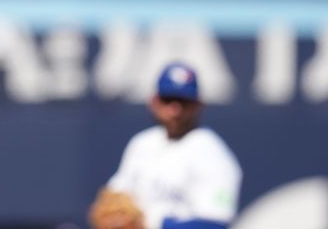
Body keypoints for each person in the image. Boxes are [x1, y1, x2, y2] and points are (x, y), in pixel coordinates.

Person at [92, 61, 242, 229]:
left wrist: (153, 224)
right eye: (168, 100)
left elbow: (216, 225)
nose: (175, 110)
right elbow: (115, 197)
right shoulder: (142, 143)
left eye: (183, 102)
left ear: (198, 105)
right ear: (154, 102)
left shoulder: (214, 155)